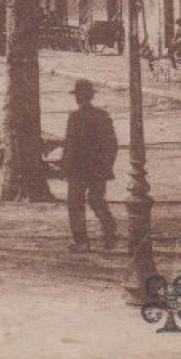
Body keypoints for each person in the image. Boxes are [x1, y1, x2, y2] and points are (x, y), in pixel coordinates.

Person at [62, 79, 120, 252]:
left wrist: (66, 167)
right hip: (98, 168)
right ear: (91, 96)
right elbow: (112, 144)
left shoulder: (75, 117)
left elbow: (70, 146)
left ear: (77, 98)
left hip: (78, 169)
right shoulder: (102, 116)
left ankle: (82, 241)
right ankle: (109, 232)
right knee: (97, 201)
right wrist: (107, 165)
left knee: (76, 204)